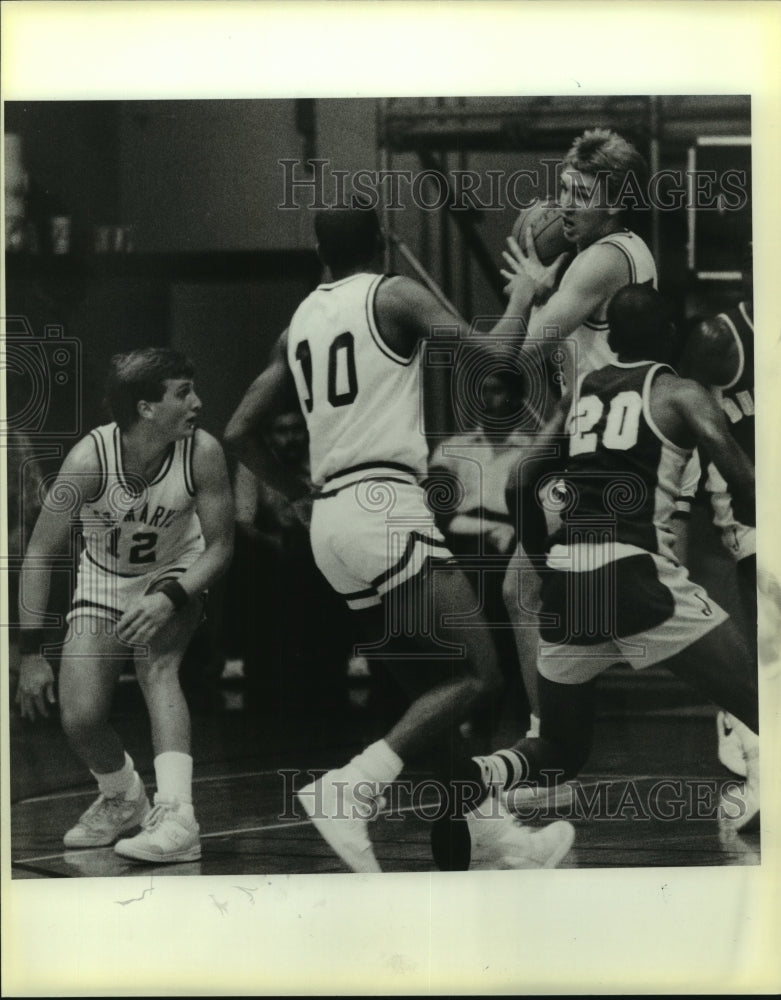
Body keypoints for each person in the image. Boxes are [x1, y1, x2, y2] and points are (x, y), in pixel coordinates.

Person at [225, 204, 575, 873]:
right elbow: (494, 356)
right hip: (384, 507)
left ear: (319, 251)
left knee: (432, 693)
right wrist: (525, 294)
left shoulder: (298, 322)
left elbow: (240, 429)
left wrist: (296, 493)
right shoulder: (393, 294)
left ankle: (495, 835)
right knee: (479, 675)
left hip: (332, 521)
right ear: (383, 244)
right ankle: (349, 791)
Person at [438, 285, 759, 868]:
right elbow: (741, 474)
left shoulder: (581, 392)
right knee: (764, 703)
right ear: (670, 336)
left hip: (569, 585)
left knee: (558, 749)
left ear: (611, 337)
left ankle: (474, 775)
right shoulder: (679, 391)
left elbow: (519, 480)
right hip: (636, 577)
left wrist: (543, 560)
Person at [16, 347, 234, 863]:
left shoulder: (202, 452)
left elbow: (222, 547)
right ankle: (123, 797)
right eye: (183, 393)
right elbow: (40, 552)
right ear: (146, 408)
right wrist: (29, 652)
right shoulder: (88, 461)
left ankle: (179, 818)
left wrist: (171, 597)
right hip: (104, 580)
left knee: (156, 663)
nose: (197, 403)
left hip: (176, 572)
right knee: (80, 717)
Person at [500, 126, 658, 735]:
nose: (564, 203)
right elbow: (572, 382)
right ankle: (548, 738)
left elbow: (522, 355)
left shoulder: (599, 260)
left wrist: (527, 294)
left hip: (621, 451)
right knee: (537, 591)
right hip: (605, 438)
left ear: (614, 202)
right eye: (562, 188)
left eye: (580, 193)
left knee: (631, 609)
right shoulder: (616, 252)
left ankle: (547, 739)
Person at [680, 249, 756, 776]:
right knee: (768, 634)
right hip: (748, 507)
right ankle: (738, 717)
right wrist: (679, 505)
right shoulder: (719, 337)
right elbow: (679, 415)